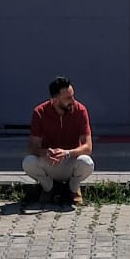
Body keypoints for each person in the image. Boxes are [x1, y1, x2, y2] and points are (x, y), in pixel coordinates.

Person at [24, 75, 94, 210]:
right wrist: (45, 152)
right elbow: (32, 146)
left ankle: (73, 189)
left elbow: (88, 147)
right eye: (68, 98)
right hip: (50, 162)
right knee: (28, 162)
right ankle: (49, 188)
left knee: (87, 163)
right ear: (54, 99)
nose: (73, 101)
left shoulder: (80, 110)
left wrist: (67, 153)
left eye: (73, 96)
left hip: (70, 160)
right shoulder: (40, 112)